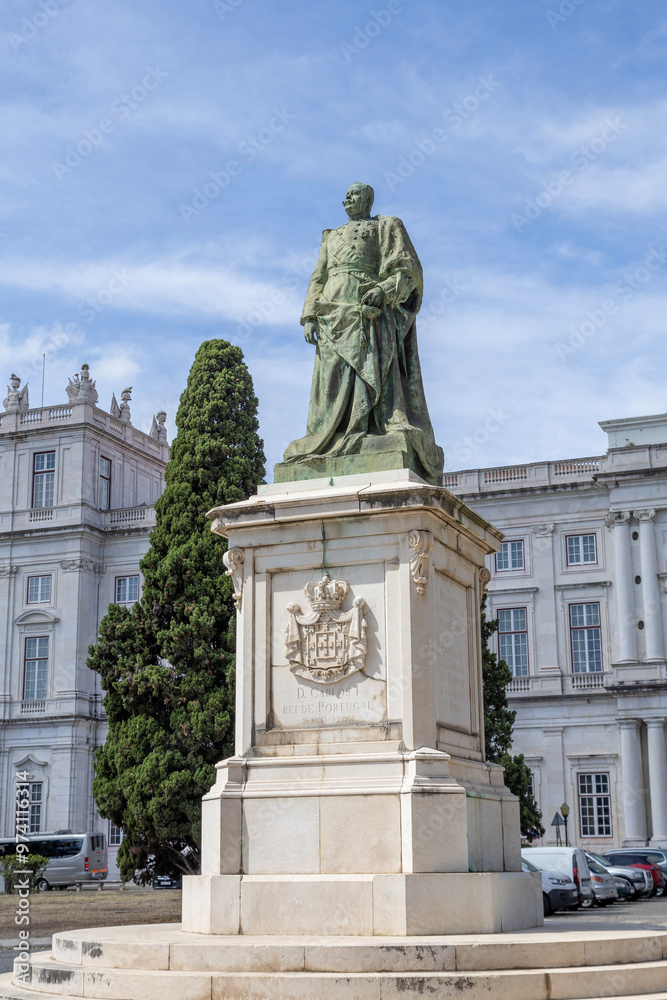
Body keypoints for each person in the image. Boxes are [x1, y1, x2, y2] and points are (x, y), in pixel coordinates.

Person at [279, 183, 443, 484]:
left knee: (372, 371)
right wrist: (309, 315)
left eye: (353, 194)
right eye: (345, 195)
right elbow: (319, 276)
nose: (346, 199)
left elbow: (408, 271)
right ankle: (327, 436)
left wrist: (384, 289)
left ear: (367, 198)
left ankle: (372, 427)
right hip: (331, 313)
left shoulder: (385, 226)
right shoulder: (330, 237)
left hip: (368, 311)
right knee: (332, 376)